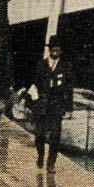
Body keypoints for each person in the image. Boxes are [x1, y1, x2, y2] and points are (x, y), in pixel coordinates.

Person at [28, 34, 74, 172]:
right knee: (40, 135)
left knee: (55, 135)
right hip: (41, 104)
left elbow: (69, 88)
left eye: (58, 50)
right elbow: (34, 85)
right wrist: (31, 104)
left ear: (61, 51)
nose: (55, 53)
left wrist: (69, 107)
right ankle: (41, 154)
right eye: (53, 50)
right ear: (49, 50)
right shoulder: (41, 65)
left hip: (57, 105)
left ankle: (51, 163)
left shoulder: (66, 66)